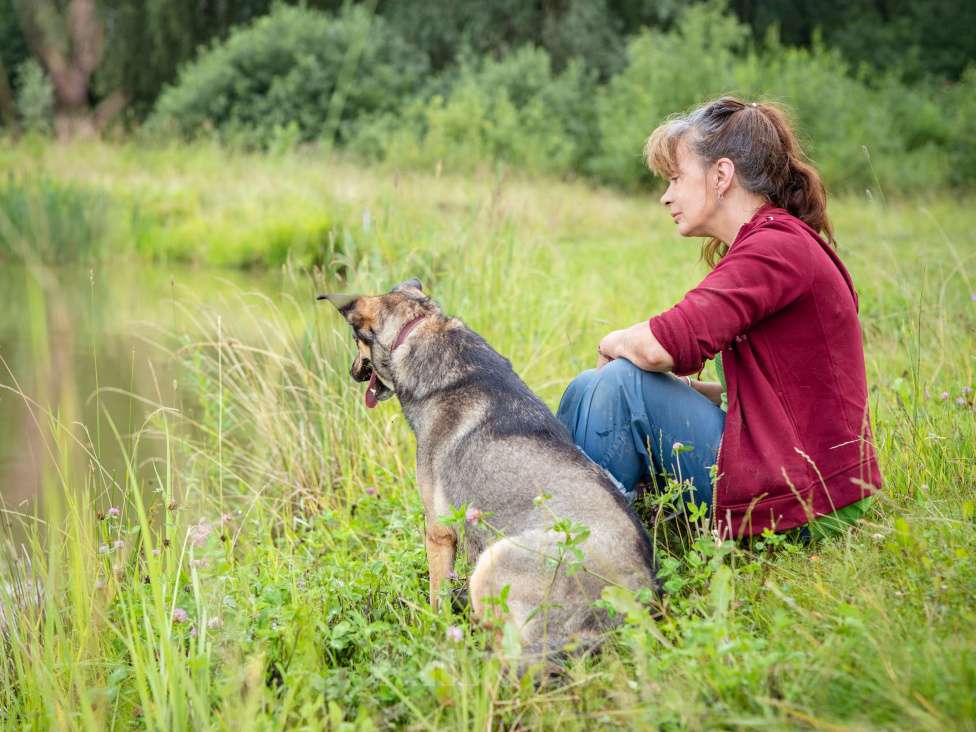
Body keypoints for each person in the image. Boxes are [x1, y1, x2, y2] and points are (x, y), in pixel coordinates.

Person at [557, 96, 882, 540]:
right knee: (585, 388)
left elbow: (663, 344)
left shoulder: (776, 248)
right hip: (801, 481)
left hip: (810, 502)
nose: (665, 196)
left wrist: (612, 342)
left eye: (675, 178)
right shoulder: (771, 242)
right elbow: (768, 395)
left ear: (722, 175)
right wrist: (678, 390)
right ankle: (562, 543)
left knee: (620, 384)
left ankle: (585, 558)